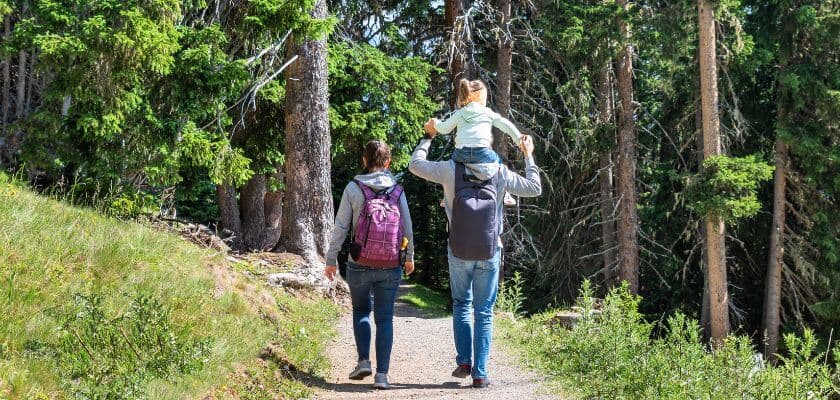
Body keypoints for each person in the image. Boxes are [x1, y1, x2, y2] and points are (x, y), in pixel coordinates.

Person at [408, 125, 542, 388]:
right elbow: (534, 188)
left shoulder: (449, 169)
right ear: (488, 145)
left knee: (461, 304)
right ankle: (480, 374)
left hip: (458, 248)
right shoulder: (500, 171)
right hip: (490, 249)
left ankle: (464, 362)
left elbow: (415, 165)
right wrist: (528, 154)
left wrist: (428, 136)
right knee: (484, 311)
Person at [324, 140, 416, 390]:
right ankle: (382, 376)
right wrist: (409, 257)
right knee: (385, 318)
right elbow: (407, 226)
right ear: (388, 163)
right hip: (390, 264)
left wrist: (331, 259)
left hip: (359, 262)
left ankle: (364, 361)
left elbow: (341, 227)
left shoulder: (354, 189)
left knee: (361, 310)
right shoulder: (397, 190)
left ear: (364, 161)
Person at [425, 78, 527, 205]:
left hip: (461, 154)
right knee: (499, 164)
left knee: (452, 169)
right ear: (480, 98)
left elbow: (445, 129)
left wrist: (435, 123)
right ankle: (505, 193)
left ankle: (448, 197)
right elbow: (505, 125)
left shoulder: (460, 113)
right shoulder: (487, 112)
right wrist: (518, 138)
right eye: (485, 99)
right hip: (482, 153)